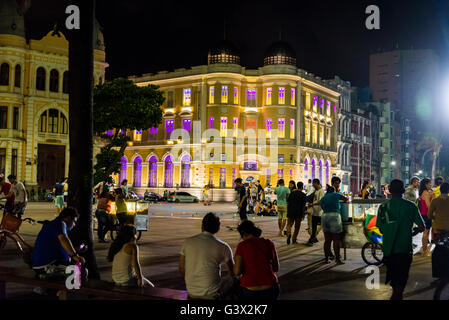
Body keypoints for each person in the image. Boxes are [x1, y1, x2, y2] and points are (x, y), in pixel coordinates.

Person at [376, 179, 425, 300]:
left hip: (389, 249)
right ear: (403, 190)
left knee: (394, 278)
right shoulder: (410, 206)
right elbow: (421, 226)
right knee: (401, 280)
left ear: (390, 191)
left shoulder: (383, 207)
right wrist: (413, 232)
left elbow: (380, 227)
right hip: (404, 248)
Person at [179, 212, 234, 300]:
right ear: (217, 229)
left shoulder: (188, 242)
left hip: (191, 292)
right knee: (235, 281)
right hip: (213, 293)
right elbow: (233, 272)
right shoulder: (223, 246)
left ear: (202, 226)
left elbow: (181, 268)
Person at [32, 207, 87, 281]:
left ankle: (53, 288)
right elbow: (63, 239)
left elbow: (61, 246)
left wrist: (76, 249)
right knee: (80, 272)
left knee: (76, 270)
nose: (74, 225)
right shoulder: (60, 223)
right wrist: (75, 256)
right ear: (68, 218)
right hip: (47, 266)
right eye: (74, 221)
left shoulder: (53, 225)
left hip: (46, 264)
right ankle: (63, 290)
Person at [234, 220, 280, 300]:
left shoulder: (242, 246)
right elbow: (275, 268)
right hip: (270, 286)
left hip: (250, 289)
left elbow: (237, 272)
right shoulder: (269, 243)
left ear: (243, 233)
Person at [314, 185, 349, 264]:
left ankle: (326, 259)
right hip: (335, 216)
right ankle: (337, 259)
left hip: (325, 216)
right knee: (336, 239)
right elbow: (346, 199)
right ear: (333, 190)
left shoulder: (323, 198)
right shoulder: (336, 195)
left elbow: (322, 207)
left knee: (327, 240)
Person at [428, 182, 449, 280]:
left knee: (438, 250)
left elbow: (429, 215)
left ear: (440, 190)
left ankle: (439, 273)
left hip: (437, 229)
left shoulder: (435, 200)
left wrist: (436, 218)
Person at [306, 179, 325, 246]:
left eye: (313, 183)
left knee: (319, 226)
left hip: (319, 212)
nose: (313, 185)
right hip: (314, 212)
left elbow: (320, 201)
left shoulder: (321, 191)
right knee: (313, 226)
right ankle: (313, 238)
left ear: (317, 183)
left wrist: (312, 204)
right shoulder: (316, 191)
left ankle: (312, 239)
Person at [418, 177, 433, 256]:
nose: (431, 184)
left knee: (426, 232)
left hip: (424, 214)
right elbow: (428, 205)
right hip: (426, 214)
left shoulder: (424, 192)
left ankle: (425, 248)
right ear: (426, 184)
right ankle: (424, 250)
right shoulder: (425, 192)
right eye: (429, 183)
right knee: (425, 232)